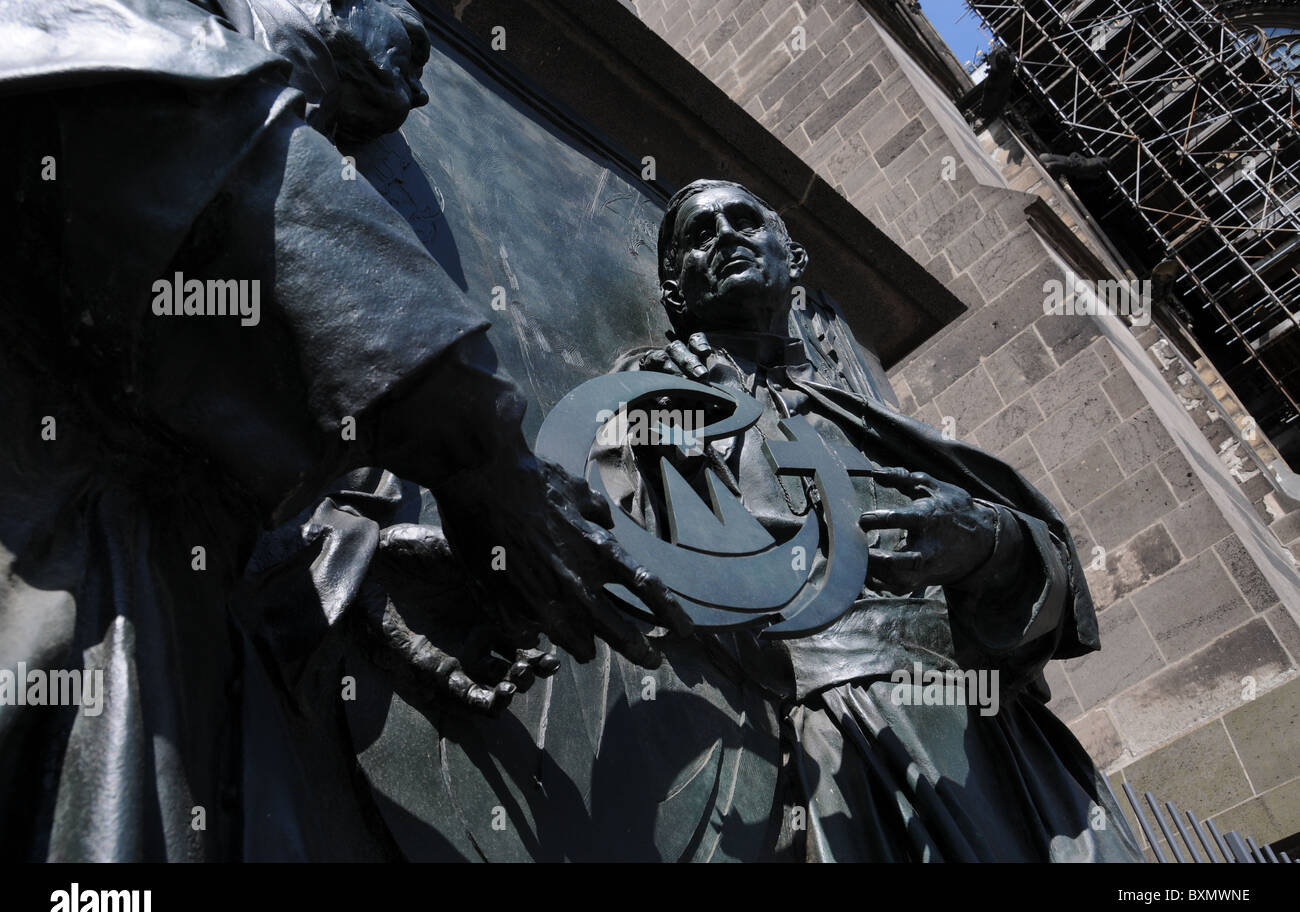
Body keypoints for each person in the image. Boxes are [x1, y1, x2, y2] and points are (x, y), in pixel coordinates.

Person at [0, 0, 687, 861]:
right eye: (401, 46)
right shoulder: (123, 35)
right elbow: (232, 171)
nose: (416, 100)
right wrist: (486, 461)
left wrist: (344, 563)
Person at [605, 179, 1143, 861]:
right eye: (699, 236)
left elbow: (1056, 579)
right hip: (848, 730)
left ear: (792, 258)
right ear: (676, 295)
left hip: (999, 739)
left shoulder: (871, 418)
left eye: (744, 220)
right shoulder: (658, 399)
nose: (725, 238)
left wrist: (986, 541)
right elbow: (627, 554)